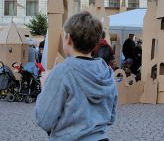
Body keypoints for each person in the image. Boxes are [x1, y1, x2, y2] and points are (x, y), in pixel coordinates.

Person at [34, 11, 117, 141]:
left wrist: (45, 86)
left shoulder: (63, 72)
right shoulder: (107, 72)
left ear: (68, 38)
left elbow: (44, 120)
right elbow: (110, 117)